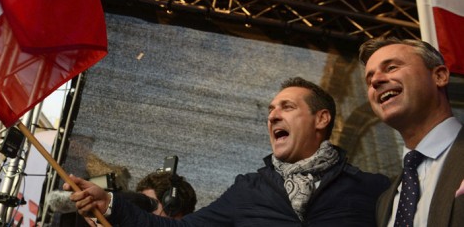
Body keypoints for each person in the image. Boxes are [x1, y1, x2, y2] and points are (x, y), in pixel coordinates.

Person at [63, 77, 390, 226]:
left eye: (287, 107)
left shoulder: (374, 190)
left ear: (322, 119)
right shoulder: (247, 189)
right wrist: (111, 203)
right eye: (271, 110)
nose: (273, 115)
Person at [358, 37, 464, 226]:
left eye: (391, 68)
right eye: (369, 79)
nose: (375, 81)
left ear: (439, 76)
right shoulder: (384, 203)